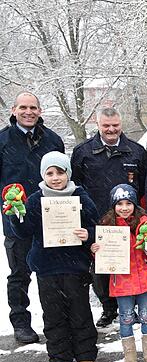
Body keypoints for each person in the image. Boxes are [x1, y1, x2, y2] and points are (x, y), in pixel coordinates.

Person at [6, 152, 99, 362]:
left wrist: (89, 234)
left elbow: (96, 225)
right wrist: (16, 215)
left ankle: (86, 355)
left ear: (68, 173)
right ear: (43, 175)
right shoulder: (36, 199)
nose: (56, 178)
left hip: (75, 266)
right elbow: (24, 231)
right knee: (53, 315)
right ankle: (58, 358)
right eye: (50, 173)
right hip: (47, 267)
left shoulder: (80, 196)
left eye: (60, 172)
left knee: (80, 312)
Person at [71, 107, 147, 328]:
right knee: (100, 268)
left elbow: (142, 186)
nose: (111, 129)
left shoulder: (136, 151)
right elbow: (76, 185)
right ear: (97, 125)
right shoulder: (83, 152)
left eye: (115, 125)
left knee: (131, 263)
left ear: (121, 124)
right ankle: (108, 308)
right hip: (97, 219)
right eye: (106, 126)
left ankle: (130, 306)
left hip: (129, 217)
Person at [0, 91, 64, 344]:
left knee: (51, 271)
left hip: (49, 218)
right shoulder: (3, 141)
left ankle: (55, 320)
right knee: (19, 272)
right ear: (14, 110)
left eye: (33, 108)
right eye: (23, 107)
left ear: (40, 111)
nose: (29, 112)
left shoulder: (52, 140)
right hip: (16, 222)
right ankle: (21, 322)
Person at [90, 184, 147, 362]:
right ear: (113, 206)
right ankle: (129, 357)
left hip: (146, 279)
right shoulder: (107, 226)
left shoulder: (145, 223)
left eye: (128, 203)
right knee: (126, 318)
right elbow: (103, 259)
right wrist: (95, 251)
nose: (124, 208)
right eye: (119, 204)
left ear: (134, 204)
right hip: (122, 281)